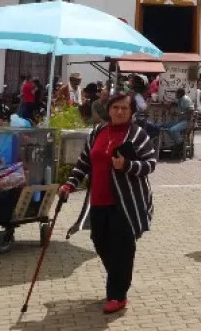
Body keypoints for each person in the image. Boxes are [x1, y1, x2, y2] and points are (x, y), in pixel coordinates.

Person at [59, 90, 156, 314]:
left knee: (122, 247)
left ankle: (117, 294)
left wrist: (128, 165)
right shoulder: (98, 132)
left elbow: (150, 164)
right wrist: (69, 185)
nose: (119, 111)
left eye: (124, 108)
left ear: (131, 111)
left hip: (126, 202)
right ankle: (119, 277)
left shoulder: (137, 135)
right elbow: (84, 162)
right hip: (99, 199)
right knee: (100, 241)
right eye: (115, 107)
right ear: (109, 110)